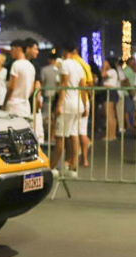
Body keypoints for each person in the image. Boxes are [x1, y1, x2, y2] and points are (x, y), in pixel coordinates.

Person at [50, 44, 89, 178]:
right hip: (77, 104)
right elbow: (83, 87)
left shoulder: (64, 64)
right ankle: (73, 167)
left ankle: (52, 166)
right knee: (73, 134)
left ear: (64, 51)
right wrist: (85, 106)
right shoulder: (79, 66)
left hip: (67, 104)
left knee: (60, 137)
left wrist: (58, 105)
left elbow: (64, 85)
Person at [72, 51, 95, 167]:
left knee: (72, 132)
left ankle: (72, 160)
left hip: (72, 100)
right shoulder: (84, 64)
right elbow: (90, 83)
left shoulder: (70, 63)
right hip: (84, 100)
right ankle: (85, 160)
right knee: (83, 131)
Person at [4, 39, 35, 118]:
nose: (11, 52)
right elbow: (31, 90)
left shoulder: (15, 65)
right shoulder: (31, 66)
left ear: (19, 49)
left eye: (12, 49)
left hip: (14, 105)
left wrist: (5, 103)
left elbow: (11, 86)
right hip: (25, 106)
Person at [101, 58, 121, 141]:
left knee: (109, 114)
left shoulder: (112, 71)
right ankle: (112, 135)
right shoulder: (113, 71)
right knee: (111, 115)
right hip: (110, 92)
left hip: (110, 92)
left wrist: (104, 67)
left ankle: (110, 135)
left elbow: (103, 75)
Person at [40, 52, 60, 138]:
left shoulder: (44, 69)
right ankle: (52, 135)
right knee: (54, 117)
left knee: (45, 115)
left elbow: (43, 82)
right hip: (57, 95)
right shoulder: (59, 70)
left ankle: (43, 134)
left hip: (47, 94)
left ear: (49, 60)